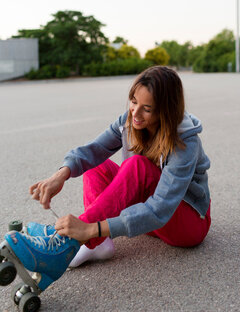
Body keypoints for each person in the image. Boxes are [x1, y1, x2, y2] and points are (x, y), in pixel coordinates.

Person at [5, 66, 211, 290]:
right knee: (96, 165)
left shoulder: (186, 142)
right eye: (133, 101)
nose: (135, 113)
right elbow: (94, 150)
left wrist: (92, 228)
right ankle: (96, 245)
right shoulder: (129, 121)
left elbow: (160, 209)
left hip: (185, 224)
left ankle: (69, 242)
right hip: (145, 219)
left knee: (136, 165)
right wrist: (60, 175)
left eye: (147, 109)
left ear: (165, 111)